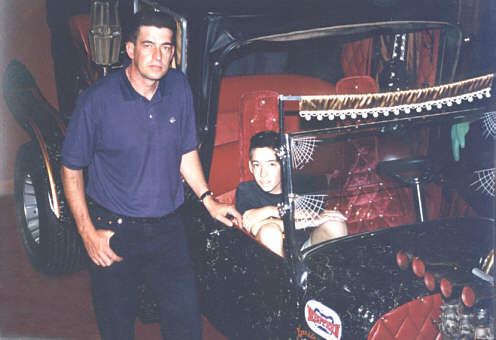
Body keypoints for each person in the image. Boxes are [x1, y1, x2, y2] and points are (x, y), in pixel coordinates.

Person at [61, 10, 241, 340]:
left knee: (186, 325)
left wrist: (208, 200)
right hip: (114, 230)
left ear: (174, 51)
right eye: (148, 45)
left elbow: (186, 151)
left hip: (168, 229)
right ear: (130, 49)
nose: (158, 56)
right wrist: (87, 233)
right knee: (117, 327)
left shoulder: (178, 87)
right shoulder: (96, 101)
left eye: (166, 47)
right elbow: (71, 168)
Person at [235, 131, 348, 257]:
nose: (263, 173)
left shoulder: (301, 182)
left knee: (335, 224)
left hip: (302, 252)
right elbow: (254, 226)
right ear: (251, 167)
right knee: (270, 232)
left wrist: (269, 212)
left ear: (284, 165)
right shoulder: (247, 190)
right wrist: (306, 220)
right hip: (269, 259)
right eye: (257, 165)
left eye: (271, 164)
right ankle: (280, 277)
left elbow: (315, 213)